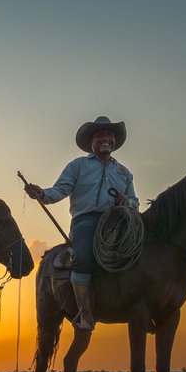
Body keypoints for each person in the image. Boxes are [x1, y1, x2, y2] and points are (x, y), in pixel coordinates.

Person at [24, 116, 139, 331]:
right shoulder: (77, 166)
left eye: (110, 135)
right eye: (100, 135)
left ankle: (144, 307)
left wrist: (128, 202)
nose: (106, 138)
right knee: (82, 258)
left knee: (142, 252)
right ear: (91, 142)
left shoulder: (124, 172)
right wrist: (41, 193)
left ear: (114, 141)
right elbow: (59, 190)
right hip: (86, 221)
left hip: (118, 220)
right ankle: (85, 314)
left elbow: (135, 202)